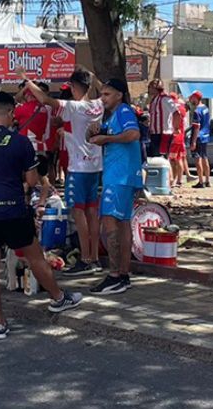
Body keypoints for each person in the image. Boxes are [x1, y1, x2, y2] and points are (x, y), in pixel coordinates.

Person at [0, 91, 82, 339]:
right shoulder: (20, 142)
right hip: (13, 209)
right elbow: (33, 180)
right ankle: (58, 298)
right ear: (11, 113)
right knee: (35, 257)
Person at [20, 69, 105, 278]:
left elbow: (45, 99)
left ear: (75, 87)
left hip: (77, 168)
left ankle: (85, 260)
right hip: (95, 166)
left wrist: (28, 82)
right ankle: (94, 258)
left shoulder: (74, 107)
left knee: (78, 212)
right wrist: (94, 78)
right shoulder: (99, 104)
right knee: (92, 212)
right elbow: (104, 90)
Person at [87, 78, 144, 295]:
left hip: (120, 176)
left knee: (109, 222)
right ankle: (123, 275)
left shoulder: (124, 111)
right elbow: (92, 138)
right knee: (122, 223)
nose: (103, 98)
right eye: (101, 94)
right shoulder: (111, 117)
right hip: (120, 175)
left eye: (107, 94)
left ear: (119, 95)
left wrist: (107, 139)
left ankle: (114, 275)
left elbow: (134, 134)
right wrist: (95, 132)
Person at [147, 79, 177, 159]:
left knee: (161, 158)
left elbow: (176, 112)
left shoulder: (165, 99)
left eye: (149, 87)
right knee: (154, 157)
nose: (148, 90)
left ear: (154, 88)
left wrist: (176, 128)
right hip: (155, 133)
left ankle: (166, 171)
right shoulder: (154, 100)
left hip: (163, 133)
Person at [189, 91, 212, 188]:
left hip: (198, 137)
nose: (190, 99)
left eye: (192, 98)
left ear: (196, 98)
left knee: (198, 159)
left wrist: (193, 141)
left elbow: (197, 127)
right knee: (205, 158)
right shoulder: (206, 108)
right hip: (205, 136)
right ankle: (208, 180)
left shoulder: (196, 111)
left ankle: (201, 181)